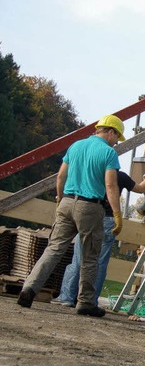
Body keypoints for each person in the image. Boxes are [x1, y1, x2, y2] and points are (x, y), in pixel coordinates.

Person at [17, 114, 125, 317]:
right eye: (117, 137)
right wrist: (118, 215)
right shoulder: (109, 153)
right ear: (110, 132)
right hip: (90, 207)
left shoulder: (75, 146)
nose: (116, 141)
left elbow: (60, 176)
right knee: (90, 256)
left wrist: (60, 199)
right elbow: (111, 185)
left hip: (66, 202)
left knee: (53, 249)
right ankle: (85, 302)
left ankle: (29, 289)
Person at [51, 169, 145, 307]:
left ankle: (67, 297)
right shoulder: (120, 176)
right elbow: (140, 188)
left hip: (89, 215)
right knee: (100, 263)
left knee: (78, 259)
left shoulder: (93, 173)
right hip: (109, 220)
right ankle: (89, 301)